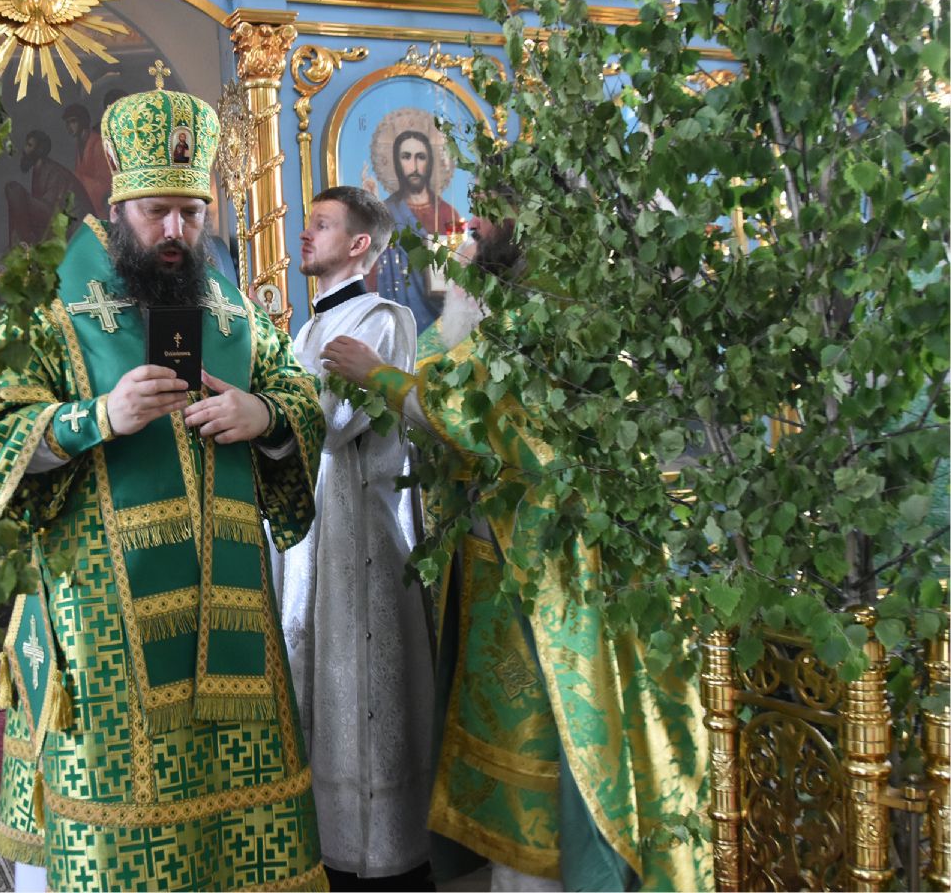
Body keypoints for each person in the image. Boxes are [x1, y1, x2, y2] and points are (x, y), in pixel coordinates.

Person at [0, 80, 329, 892]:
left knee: (236, 820)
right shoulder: (49, 308)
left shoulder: (232, 310)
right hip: (103, 620)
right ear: (117, 205)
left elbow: (299, 395)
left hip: (231, 610)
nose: (176, 232)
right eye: (157, 211)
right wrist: (96, 416)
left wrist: (264, 414)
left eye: (192, 213)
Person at [321, 206, 711, 892]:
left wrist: (379, 374)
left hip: (552, 575)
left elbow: (486, 418)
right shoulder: (497, 317)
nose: (466, 235)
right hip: (501, 568)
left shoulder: (547, 320)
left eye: (483, 227)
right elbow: (453, 378)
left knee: (557, 742)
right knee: (508, 743)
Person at [275, 185, 434, 890]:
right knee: (313, 679)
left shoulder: (383, 318)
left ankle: (381, 861)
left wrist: (267, 407)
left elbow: (334, 426)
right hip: (308, 538)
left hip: (361, 537)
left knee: (361, 690)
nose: (305, 234)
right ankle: (325, 852)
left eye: (322, 225)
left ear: (360, 244)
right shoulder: (304, 333)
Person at [373, 129, 461, 334]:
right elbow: (370, 266)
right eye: (406, 157)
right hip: (397, 322)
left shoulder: (448, 214)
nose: (414, 166)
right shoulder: (386, 211)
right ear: (397, 163)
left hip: (441, 323)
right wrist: (373, 215)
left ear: (429, 163)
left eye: (420, 157)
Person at [5, 129, 93, 247]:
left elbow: (51, 209)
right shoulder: (39, 170)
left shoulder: (54, 172)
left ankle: (26, 242)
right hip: (60, 221)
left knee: (14, 190)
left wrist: (22, 200)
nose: (25, 149)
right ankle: (23, 243)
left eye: (29, 145)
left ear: (39, 150)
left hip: (75, 225)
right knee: (16, 195)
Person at [63, 102, 113, 212]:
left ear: (82, 121)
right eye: (67, 123)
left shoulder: (98, 144)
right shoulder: (80, 144)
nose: (69, 127)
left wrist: (77, 178)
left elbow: (106, 184)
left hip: (102, 203)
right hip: (85, 200)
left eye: (73, 121)